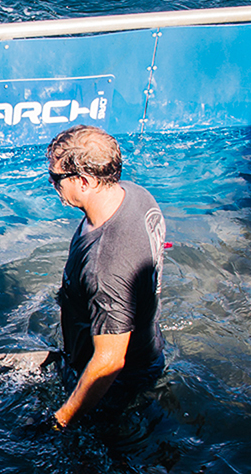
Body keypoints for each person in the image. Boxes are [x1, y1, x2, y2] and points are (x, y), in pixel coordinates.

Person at [47, 125, 165, 429]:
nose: (52, 184)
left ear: (84, 181)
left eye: (57, 178)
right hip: (144, 345)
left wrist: (60, 421)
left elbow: (109, 362)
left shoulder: (107, 264)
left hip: (117, 387)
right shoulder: (136, 196)